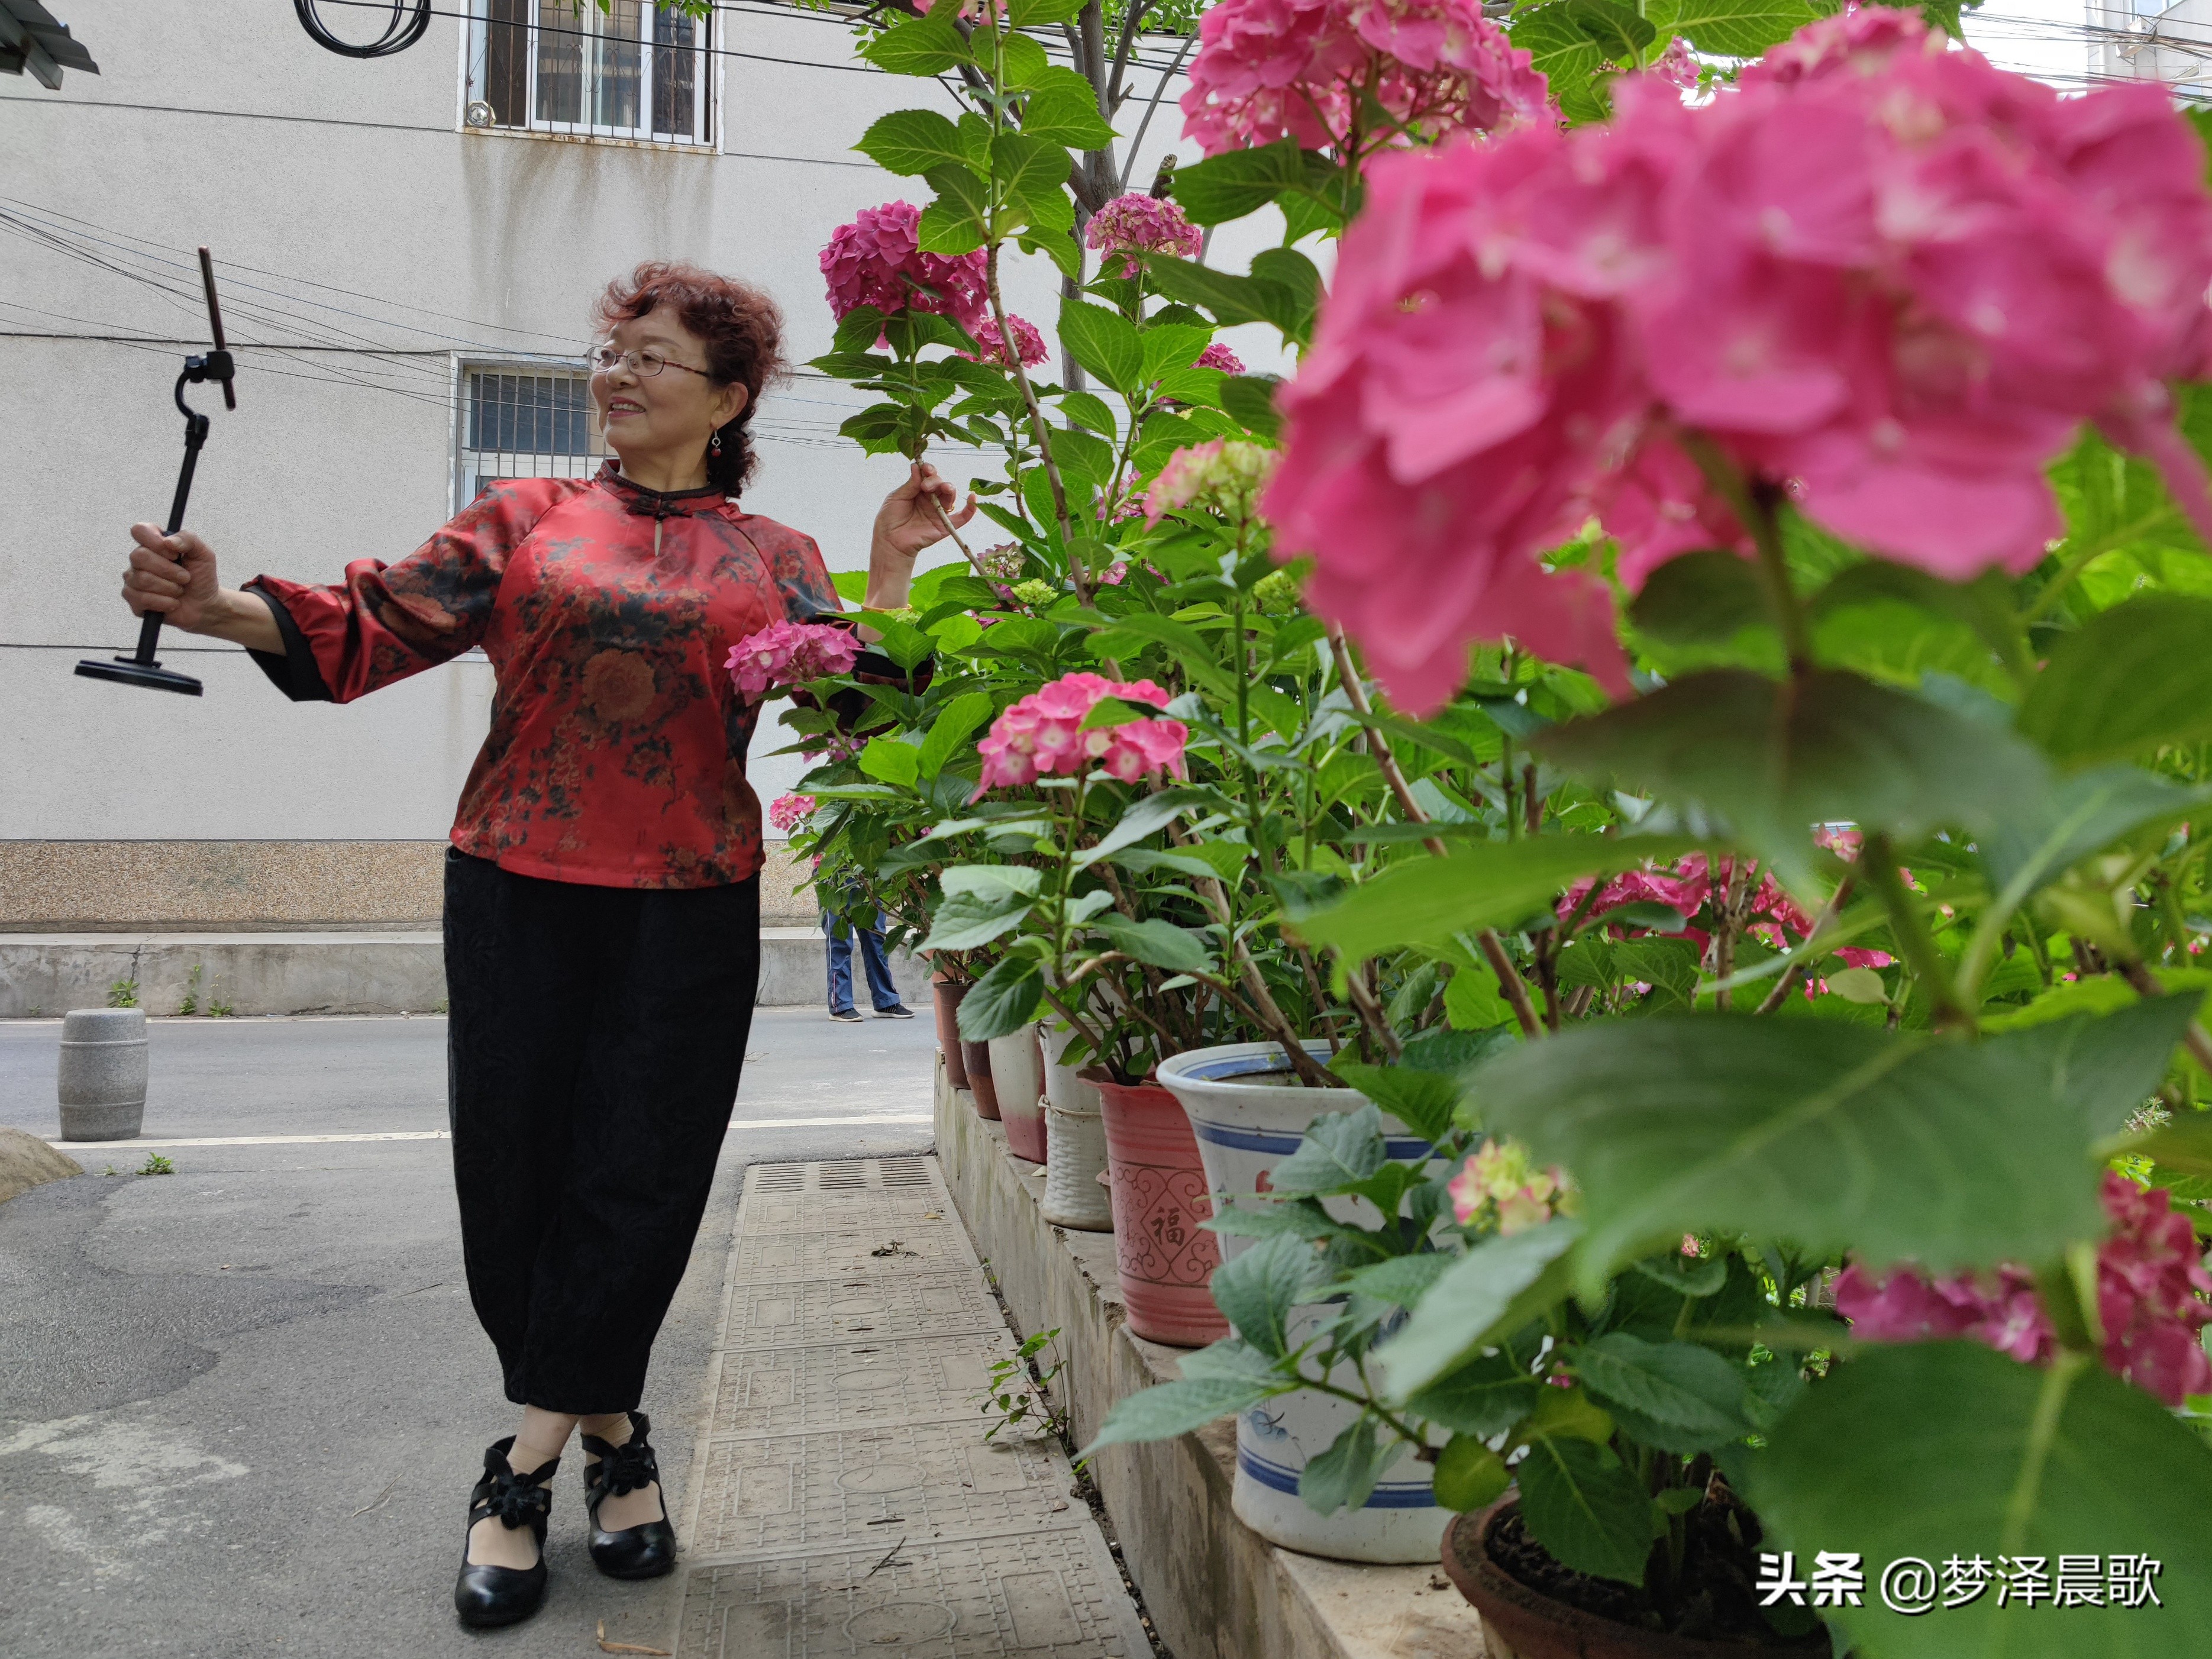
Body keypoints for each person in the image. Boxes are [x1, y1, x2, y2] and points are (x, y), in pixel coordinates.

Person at [117, 261, 975, 1630]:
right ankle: (617, 1439)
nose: (616, 375)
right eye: (610, 353)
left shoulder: (774, 556)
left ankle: (519, 1467)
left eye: (651, 356)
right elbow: (372, 623)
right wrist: (216, 607)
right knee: (514, 1180)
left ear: (729, 398)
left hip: (690, 899)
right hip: (514, 885)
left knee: (641, 1180)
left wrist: (891, 565)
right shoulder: (525, 519)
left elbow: (862, 707)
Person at [821, 874, 912, 1022]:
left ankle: (885, 1002)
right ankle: (841, 1005)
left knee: (876, 941)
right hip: (834, 876)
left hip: (868, 875)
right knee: (840, 942)